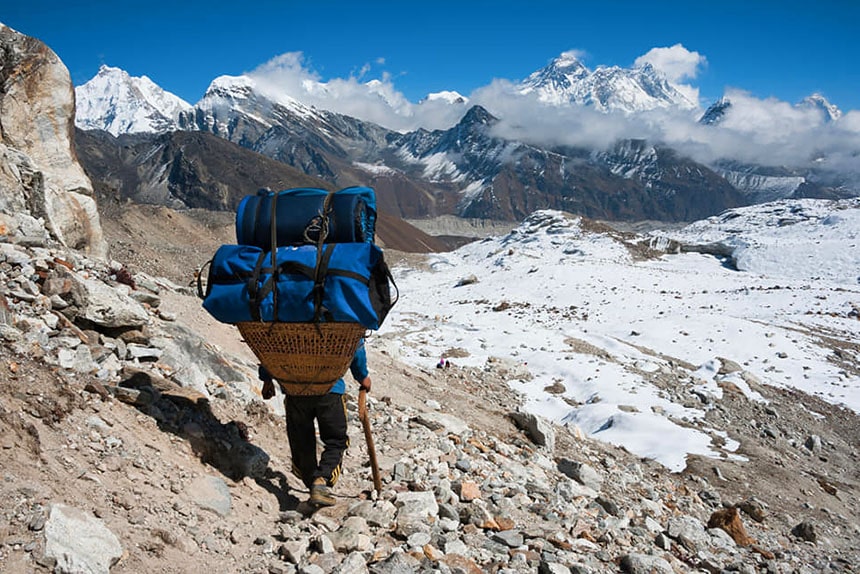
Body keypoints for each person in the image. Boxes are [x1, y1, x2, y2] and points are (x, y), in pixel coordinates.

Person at [259, 340, 371, 507]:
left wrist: (267, 378)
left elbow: (271, 347)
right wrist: (362, 376)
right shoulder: (342, 320)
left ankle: (312, 482)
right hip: (330, 391)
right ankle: (321, 481)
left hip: (294, 389)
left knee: (301, 440)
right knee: (336, 441)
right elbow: (355, 344)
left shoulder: (285, 320)